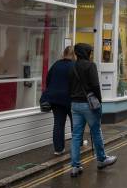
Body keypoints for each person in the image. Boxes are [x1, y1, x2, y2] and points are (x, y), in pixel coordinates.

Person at [69, 43, 116, 177]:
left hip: (75, 104)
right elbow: (95, 85)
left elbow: (69, 85)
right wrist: (99, 102)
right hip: (89, 104)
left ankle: (75, 166)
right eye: (89, 52)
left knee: (76, 135)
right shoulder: (90, 65)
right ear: (86, 53)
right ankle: (102, 159)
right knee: (96, 131)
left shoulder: (72, 66)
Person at [44, 46, 76, 155]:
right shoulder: (74, 66)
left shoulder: (56, 65)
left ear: (64, 53)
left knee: (58, 123)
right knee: (75, 123)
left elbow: (48, 80)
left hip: (55, 99)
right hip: (70, 99)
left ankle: (58, 149)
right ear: (73, 55)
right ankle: (77, 145)